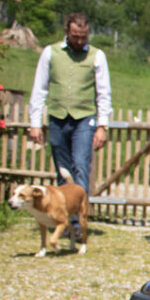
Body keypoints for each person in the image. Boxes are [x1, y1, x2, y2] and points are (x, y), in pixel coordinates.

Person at [28, 12, 112, 194]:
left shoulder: (97, 56)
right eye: (75, 36)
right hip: (57, 117)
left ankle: (78, 216)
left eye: (84, 37)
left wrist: (102, 126)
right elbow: (39, 89)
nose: (80, 41)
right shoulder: (51, 52)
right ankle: (63, 214)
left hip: (84, 118)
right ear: (66, 31)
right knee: (62, 168)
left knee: (81, 164)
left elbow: (104, 93)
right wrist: (35, 124)